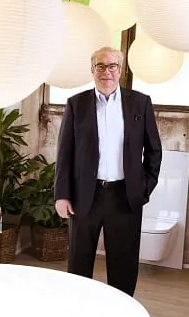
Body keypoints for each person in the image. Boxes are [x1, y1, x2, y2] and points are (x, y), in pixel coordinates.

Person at [54, 46, 162, 297]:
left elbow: (154, 151)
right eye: (100, 66)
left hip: (125, 196)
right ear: (92, 70)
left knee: (123, 265)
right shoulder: (76, 104)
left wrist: (143, 189)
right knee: (79, 262)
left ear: (120, 70)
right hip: (85, 196)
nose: (107, 72)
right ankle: (78, 312)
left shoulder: (140, 103)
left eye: (112, 66)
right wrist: (62, 194)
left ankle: (122, 315)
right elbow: (64, 153)